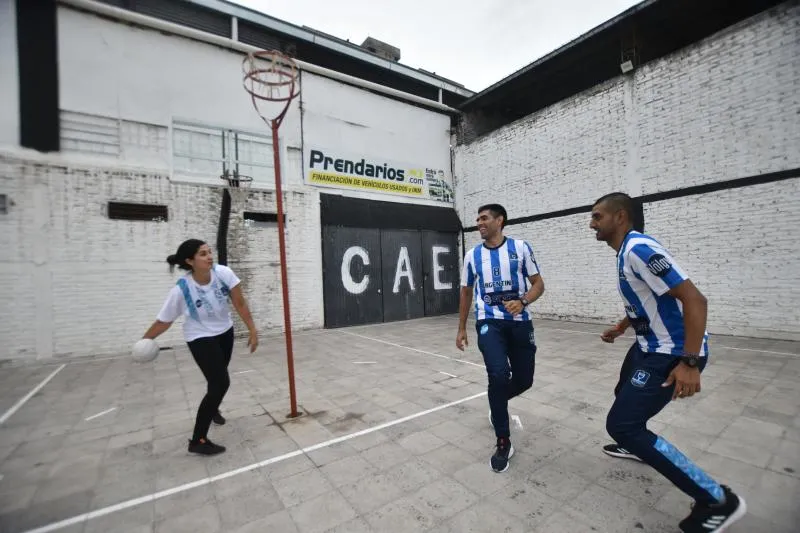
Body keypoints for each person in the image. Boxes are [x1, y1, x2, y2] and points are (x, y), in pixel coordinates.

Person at [590, 192, 746, 532]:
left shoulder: (639, 249)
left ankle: (717, 499)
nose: (591, 223)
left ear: (620, 217)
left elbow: (695, 300)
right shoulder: (625, 253)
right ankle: (635, 446)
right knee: (623, 392)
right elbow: (648, 299)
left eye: (597, 216)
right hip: (647, 346)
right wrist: (621, 326)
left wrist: (690, 362)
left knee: (623, 425)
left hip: (671, 352)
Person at [142, 239, 259, 456]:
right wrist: (144, 341)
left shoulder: (223, 273)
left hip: (225, 332)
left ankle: (213, 408)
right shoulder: (182, 289)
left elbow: (240, 303)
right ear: (190, 261)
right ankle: (198, 440)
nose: (209, 257)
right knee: (220, 382)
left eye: (209, 252)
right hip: (199, 336)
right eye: (203, 254)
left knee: (217, 380)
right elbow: (164, 321)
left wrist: (252, 330)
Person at [456, 204, 545, 473]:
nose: (479, 222)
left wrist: (523, 301)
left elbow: (538, 284)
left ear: (499, 220)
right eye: (478, 219)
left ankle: (497, 405)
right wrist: (461, 328)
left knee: (524, 380)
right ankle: (503, 440)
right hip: (488, 322)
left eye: (484, 218)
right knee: (497, 374)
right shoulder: (472, 256)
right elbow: (466, 292)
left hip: (519, 324)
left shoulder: (520, 248)